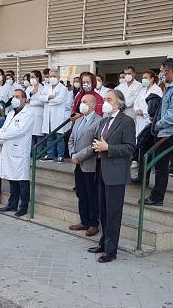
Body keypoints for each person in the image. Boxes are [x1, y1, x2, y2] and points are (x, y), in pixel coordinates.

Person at [88, 90, 136, 262]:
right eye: (105, 99)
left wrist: (109, 148)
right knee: (103, 211)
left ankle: (111, 250)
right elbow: (98, 141)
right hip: (101, 170)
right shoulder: (104, 121)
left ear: (119, 103)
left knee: (114, 212)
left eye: (109, 99)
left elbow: (130, 147)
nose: (105, 102)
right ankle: (103, 242)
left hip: (115, 173)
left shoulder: (127, 121)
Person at [143, 58, 173, 206]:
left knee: (161, 166)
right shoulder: (172, 86)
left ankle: (157, 197)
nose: (160, 74)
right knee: (158, 164)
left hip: (169, 131)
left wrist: (158, 124)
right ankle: (155, 195)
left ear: (168, 71)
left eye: (161, 71)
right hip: (165, 130)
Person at [0, 89, 35, 217]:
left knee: (22, 180)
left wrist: (2, 135)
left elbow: (19, 130)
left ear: (24, 99)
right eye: (13, 96)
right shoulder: (11, 113)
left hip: (20, 150)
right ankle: (12, 204)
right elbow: (4, 128)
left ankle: (23, 206)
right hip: (8, 148)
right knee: (12, 178)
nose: (14, 99)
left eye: (17, 97)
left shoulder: (29, 113)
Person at [68, 94, 102, 237]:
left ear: (93, 105)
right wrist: (72, 155)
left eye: (85, 102)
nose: (82, 104)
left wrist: (79, 156)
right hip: (77, 164)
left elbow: (95, 145)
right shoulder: (78, 121)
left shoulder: (99, 121)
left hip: (90, 164)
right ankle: (84, 221)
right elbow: (71, 139)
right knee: (81, 193)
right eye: (81, 101)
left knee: (91, 194)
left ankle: (94, 224)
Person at [40, 69, 70, 163]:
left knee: (59, 137)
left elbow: (59, 100)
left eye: (54, 76)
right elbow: (40, 98)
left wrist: (47, 100)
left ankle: (60, 156)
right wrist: (49, 97)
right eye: (51, 76)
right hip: (48, 115)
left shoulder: (63, 88)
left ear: (59, 77)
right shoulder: (46, 87)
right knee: (49, 136)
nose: (52, 78)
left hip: (58, 116)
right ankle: (50, 155)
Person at [134, 70, 164, 138]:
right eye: (143, 78)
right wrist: (137, 110)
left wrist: (144, 112)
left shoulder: (157, 90)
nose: (143, 80)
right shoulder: (142, 89)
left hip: (148, 119)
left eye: (145, 78)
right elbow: (136, 101)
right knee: (138, 138)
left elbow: (156, 106)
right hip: (139, 119)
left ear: (152, 79)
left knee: (146, 139)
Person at [25, 70, 46, 147]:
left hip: (39, 112)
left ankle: (38, 153)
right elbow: (25, 100)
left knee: (39, 134)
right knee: (31, 134)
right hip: (30, 113)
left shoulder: (43, 88)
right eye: (30, 77)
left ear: (38, 78)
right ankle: (31, 152)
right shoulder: (29, 88)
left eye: (33, 77)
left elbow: (42, 101)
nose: (31, 79)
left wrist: (31, 102)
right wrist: (31, 93)